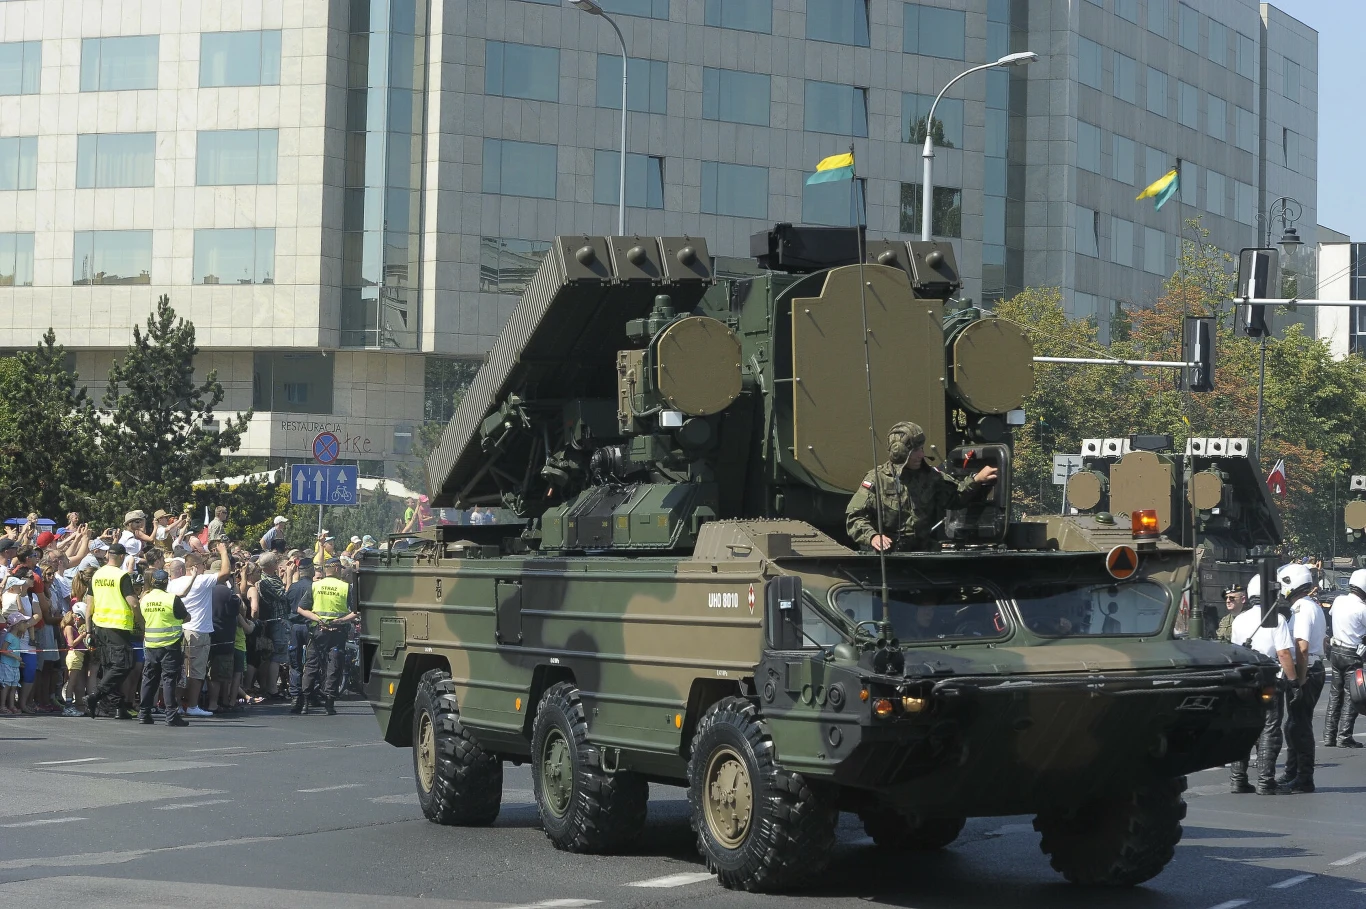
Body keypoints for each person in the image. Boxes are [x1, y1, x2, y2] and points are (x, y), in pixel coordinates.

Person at [846, 422, 998, 552]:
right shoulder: (877, 479)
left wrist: (976, 479)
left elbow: (954, 498)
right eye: (916, 451)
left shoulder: (931, 476)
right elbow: (855, 517)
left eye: (922, 449)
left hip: (923, 555)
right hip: (889, 558)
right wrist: (872, 536)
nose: (921, 455)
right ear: (900, 453)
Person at [1228, 573, 1300, 794]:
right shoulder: (1275, 619)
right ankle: (1265, 781)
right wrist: (1294, 681)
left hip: (1244, 679)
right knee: (1269, 728)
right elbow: (1284, 654)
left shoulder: (1239, 619)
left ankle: (1238, 779)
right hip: (1269, 680)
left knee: (1244, 727)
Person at [167, 540, 230, 718]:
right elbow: (225, 573)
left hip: (179, 630)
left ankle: (177, 704)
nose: (204, 568)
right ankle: (192, 705)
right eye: (202, 565)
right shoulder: (200, 581)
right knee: (196, 672)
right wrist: (223, 552)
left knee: (180, 671)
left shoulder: (173, 584)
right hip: (198, 631)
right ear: (195, 567)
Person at [1278, 563, 1326, 793]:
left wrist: (1300, 678)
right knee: (1294, 725)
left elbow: (1302, 647)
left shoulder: (1301, 608)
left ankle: (1304, 778)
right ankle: (1292, 773)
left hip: (1306, 670)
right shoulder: (1309, 605)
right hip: (1310, 669)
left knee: (1301, 726)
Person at [294, 557, 355, 715]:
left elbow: (301, 609)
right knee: (334, 666)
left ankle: (305, 703)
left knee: (311, 665)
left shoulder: (315, 586)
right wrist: (341, 619)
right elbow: (357, 611)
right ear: (336, 569)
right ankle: (329, 704)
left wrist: (318, 619)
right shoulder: (346, 587)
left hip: (317, 631)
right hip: (337, 632)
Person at [86, 543, 140, 719]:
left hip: (99, 626)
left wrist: (88, 631)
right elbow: (133, 603)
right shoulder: (121, 575)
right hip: (118, 626)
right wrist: (142, 623)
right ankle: (96, 696)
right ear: (122, 557)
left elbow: (89, 606)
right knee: (123, 664)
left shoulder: (96, 575)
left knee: (110, 666)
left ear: (108, 555)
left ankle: (118, 707)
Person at [137, 569, 190, 726]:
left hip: (151, 644)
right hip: (170, 645)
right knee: (168, 679)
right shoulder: (171, 599)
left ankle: (144, 713)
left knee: (149, 679)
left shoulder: (145, 599)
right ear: (167, 582)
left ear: (153, 582)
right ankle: (171, 715)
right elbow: (186, 617)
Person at [1324, 568, 1366, 749]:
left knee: (1335, 695)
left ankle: (1329, 736)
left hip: (1336, 651)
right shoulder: (1362, 609)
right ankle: (1344, 736)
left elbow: (1332, 615)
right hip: (1352, 654)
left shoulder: (1339, 600)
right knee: (1352, 696)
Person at [285, 555, 315, 704]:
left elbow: (287, 604)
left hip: (295, 627)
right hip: (310, 626)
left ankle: (296, 696)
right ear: (311, 570)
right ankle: (311, 694)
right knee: (312, 662)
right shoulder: (315, 587)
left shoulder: (293, 587)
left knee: (295, 663)